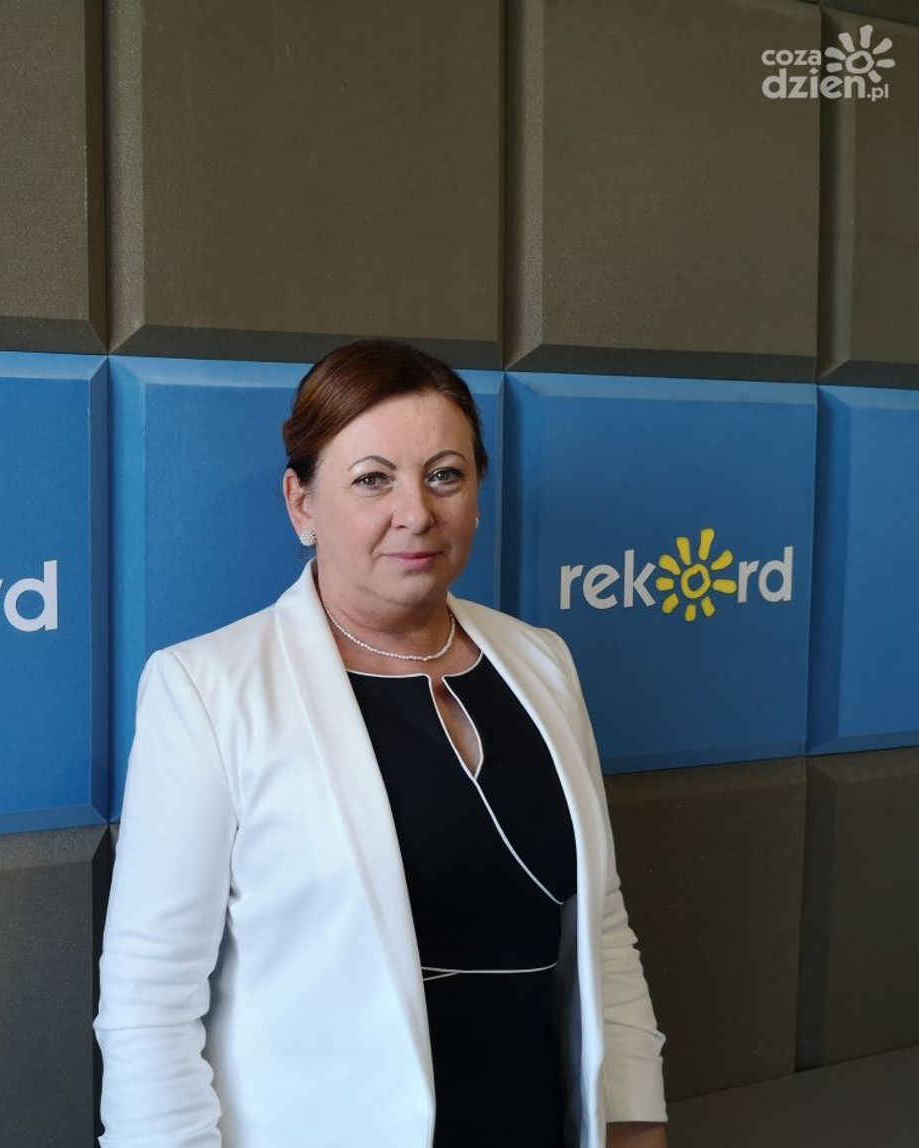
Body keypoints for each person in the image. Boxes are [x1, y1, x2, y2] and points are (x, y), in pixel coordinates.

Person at [94, 340, 667, 1147]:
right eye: (373, 479)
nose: (416, 512)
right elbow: (150, 996)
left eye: (445, 475)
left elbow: (601, 924)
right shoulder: (208, 689)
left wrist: (635, 1118)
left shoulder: (542, 662)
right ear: (302, 503)